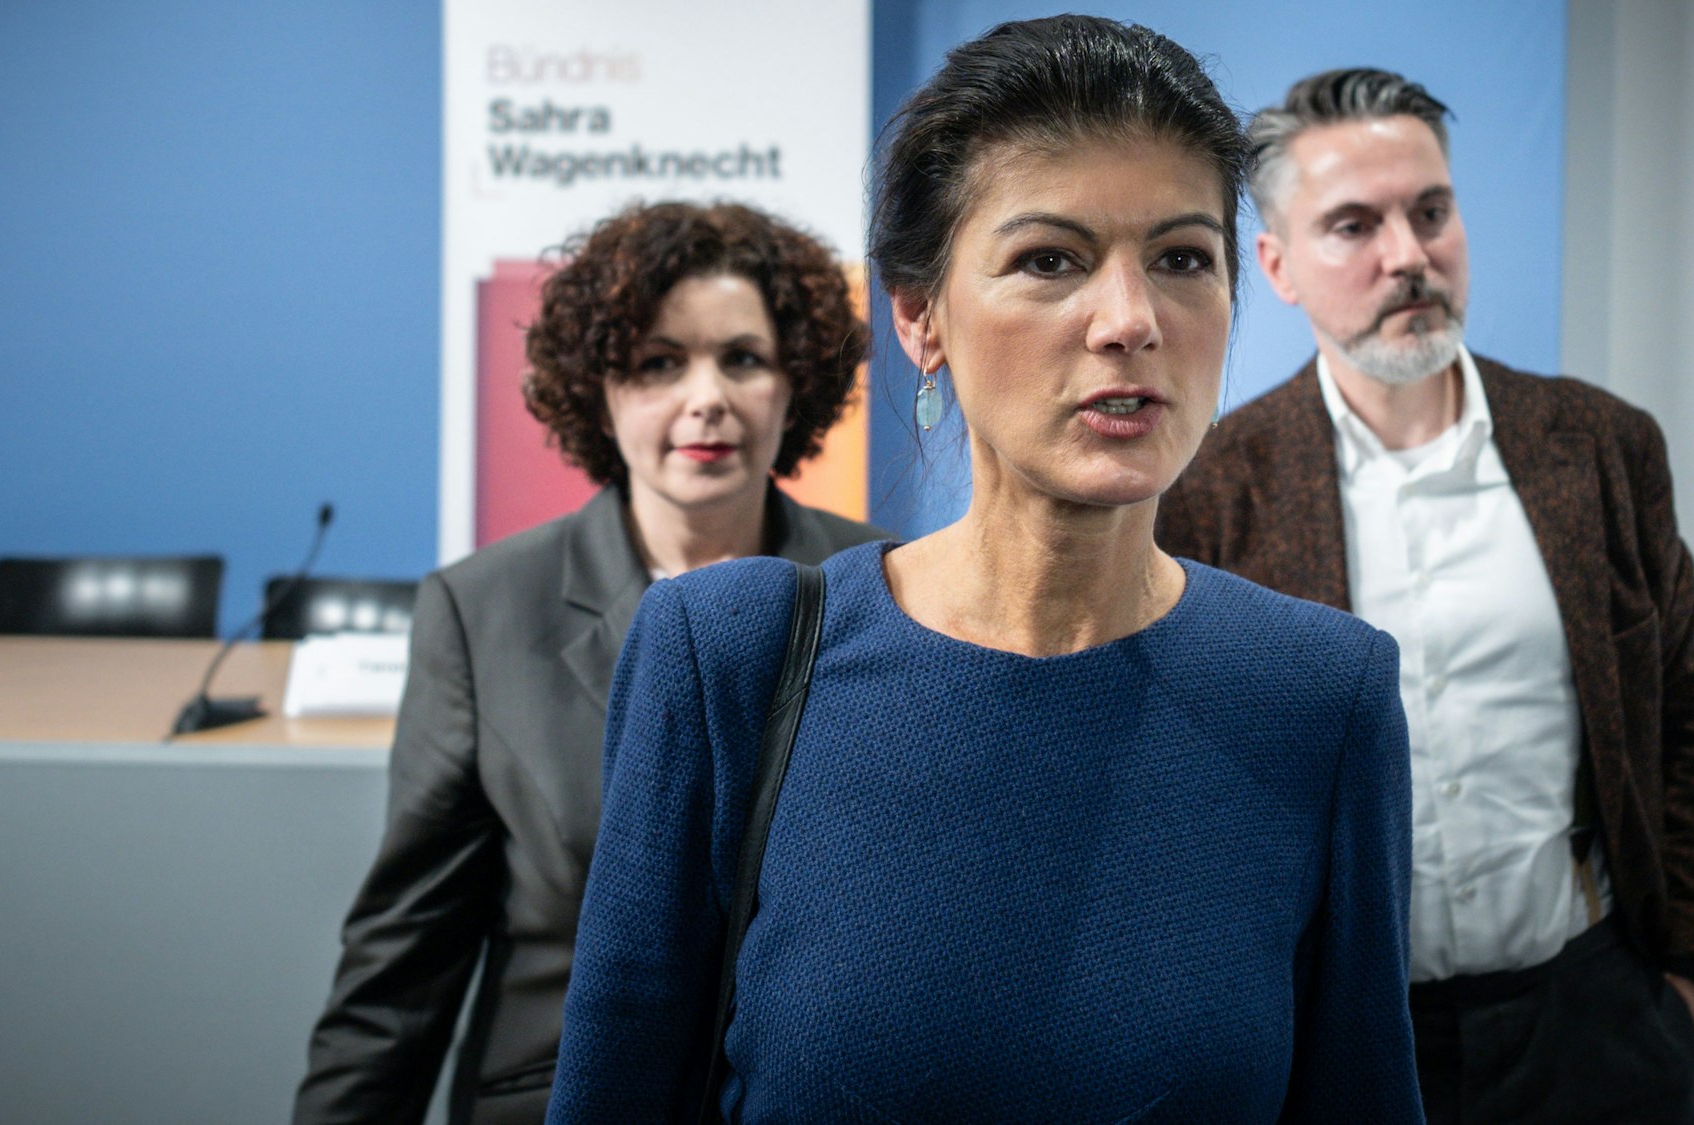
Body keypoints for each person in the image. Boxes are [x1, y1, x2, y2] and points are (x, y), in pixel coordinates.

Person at [548, 17, 1422, 1124]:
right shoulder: (725, 654)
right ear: (920, 316)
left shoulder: (1319, 693)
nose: (1129, 320)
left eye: (1181, 258)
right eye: (1048, 260)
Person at [1158, 68, 1694, 1123]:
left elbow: (1683, 719)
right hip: (1342, 1033)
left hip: (1593, 1014)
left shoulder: (1601, 447)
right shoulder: (1207, 494)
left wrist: (1688, 980)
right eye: (1353, 225)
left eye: (1430, 212)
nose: (1407, 256)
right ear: (1277, 267)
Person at [294, 201, 886, 1124]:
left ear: (794, 383)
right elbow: (400, 972)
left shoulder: (887, 589)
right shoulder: (482, 609)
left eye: (743, 358)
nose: (707, 398)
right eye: (659, 362)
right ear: (598, 389)